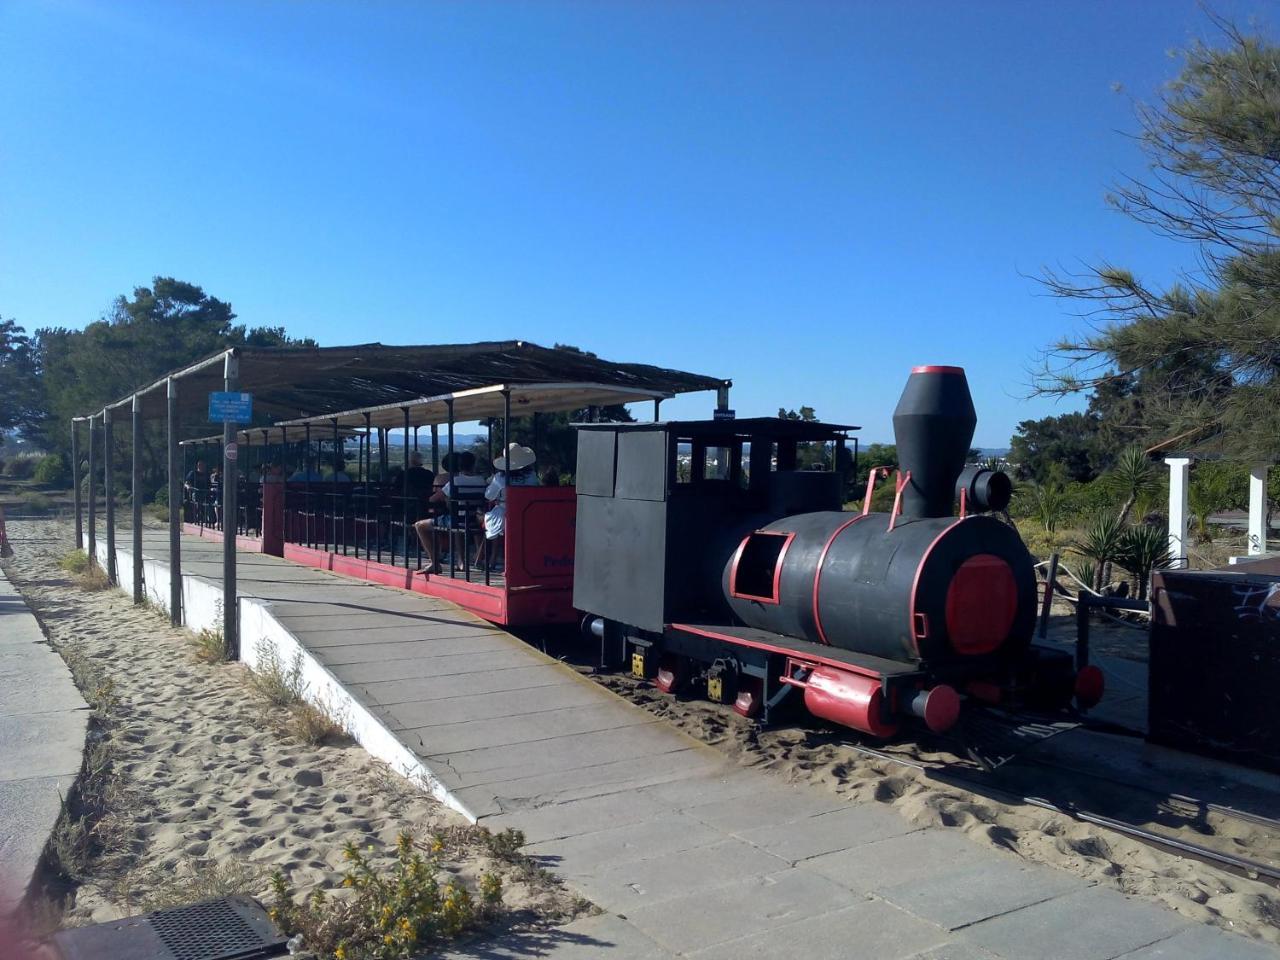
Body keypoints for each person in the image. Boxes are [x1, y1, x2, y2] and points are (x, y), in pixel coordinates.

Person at [412, 451, 485, 573]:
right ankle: (464, 560)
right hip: (475, 520)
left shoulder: (455, 481)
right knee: (456, 524)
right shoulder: (481, 481)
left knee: (419, 525)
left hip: (457, 521)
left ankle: (435, 563)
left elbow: (433, 499)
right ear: (473, 465)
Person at [481, 443, 539, 570]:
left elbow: (489, 496)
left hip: (504, 512)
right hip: (527, 514)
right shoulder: (532, 477)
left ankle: (491, 559)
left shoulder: (500, 478)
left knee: (490, 521)